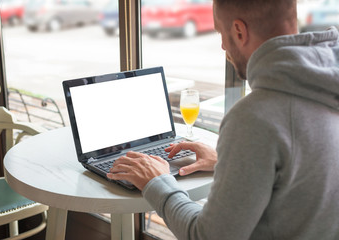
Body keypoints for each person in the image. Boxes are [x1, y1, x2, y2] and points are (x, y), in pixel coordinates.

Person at [107, 0, 339, 238]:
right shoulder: (326, 88)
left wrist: (157, 181)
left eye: (220, 32)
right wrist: (229, 163)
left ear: (239, 31)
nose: (221, 45)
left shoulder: (254, 118)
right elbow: (302, 182)